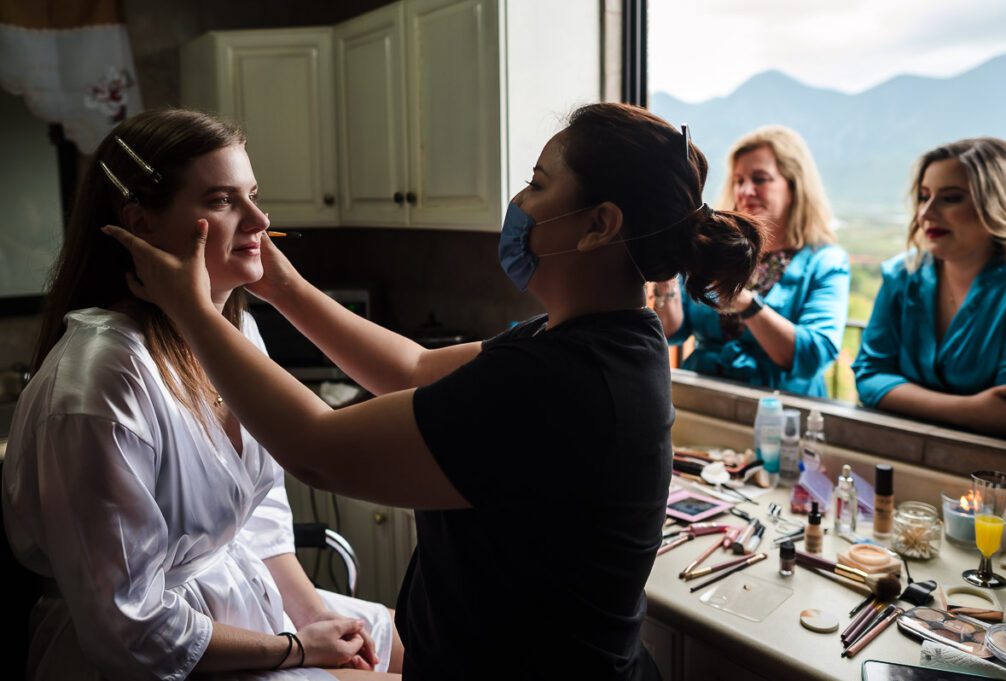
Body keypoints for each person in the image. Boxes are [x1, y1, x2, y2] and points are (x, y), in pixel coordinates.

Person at [104, 103, 763, 679]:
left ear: (599, 225)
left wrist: (191, 310)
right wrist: (282, 289)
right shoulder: (604, 338)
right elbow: (416, 367)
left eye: (538, 184)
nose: (520, 202)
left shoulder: (563, 382)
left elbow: (314, 448)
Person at [1, 109, 402, 680]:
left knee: (446, 644)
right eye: (221, 200)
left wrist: (313, 614)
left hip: (254, 605)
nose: (259, 220)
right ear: (141, 224)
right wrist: (300, 648)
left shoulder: (235, 333)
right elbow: (129, 628)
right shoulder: (101, 385)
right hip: (159, 655)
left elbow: (260, 514)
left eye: (254, 195)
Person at [651, 125, 850, 397]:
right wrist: (665, 275)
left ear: (794, 185)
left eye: (760, 179)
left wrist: (743, 301)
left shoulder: (826, 262)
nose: (745, 190)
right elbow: (674, 331)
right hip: (705, 403)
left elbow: (813, 354)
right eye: (738, 180)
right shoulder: (715, 246)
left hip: (782, 412)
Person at [852, 137, 1006, 436]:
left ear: (996, 201)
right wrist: (970, 410)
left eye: (951, 197)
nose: (926, 213)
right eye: (923, 196)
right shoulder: (902, 275)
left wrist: (900, 395)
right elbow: (869, 377)